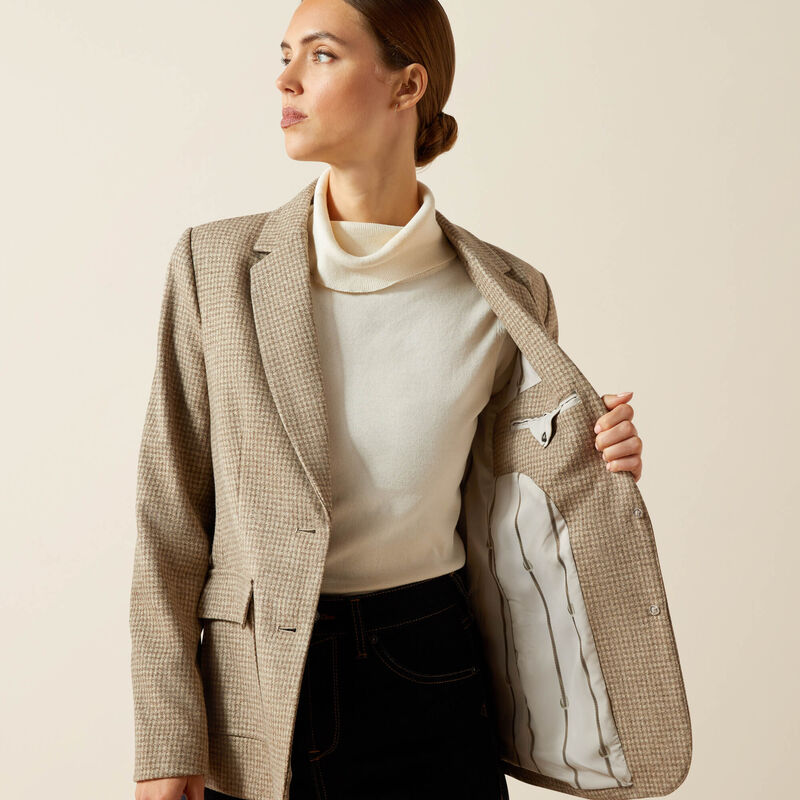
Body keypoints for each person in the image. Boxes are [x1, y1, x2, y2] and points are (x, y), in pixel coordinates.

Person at [131, 1, 644, 798]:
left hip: (435, 667)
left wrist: (593, 458)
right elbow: (169, 519)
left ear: (408, 85)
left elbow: (510, 496)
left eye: (323, 55)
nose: (286, 78)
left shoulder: (508, 295)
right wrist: (168, 745)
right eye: (286, 52)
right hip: (262, 686)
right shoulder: (215, 267)